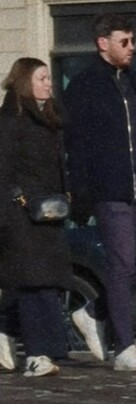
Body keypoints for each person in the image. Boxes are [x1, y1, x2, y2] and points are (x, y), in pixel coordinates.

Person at [62, 16, 136, 372]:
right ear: (102, 43)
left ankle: (94, 311)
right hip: (110, 189)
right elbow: (76, 145)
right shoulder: (84, 86)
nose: (131, 48)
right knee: (121, 264)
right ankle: (124, 347)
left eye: (132, 41)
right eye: (124, 41)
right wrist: (80, 193)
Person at [0, 59, 77, 377]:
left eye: (49, 78)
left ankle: (20, 337)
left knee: (48, 283)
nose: (49, 83)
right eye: (42, 78)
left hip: (49, 214)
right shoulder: (11, 120)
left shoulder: (51, 120)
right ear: (25, 82)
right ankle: (37, 354)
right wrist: (12, 209)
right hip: (20, 216)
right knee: (33, 284)